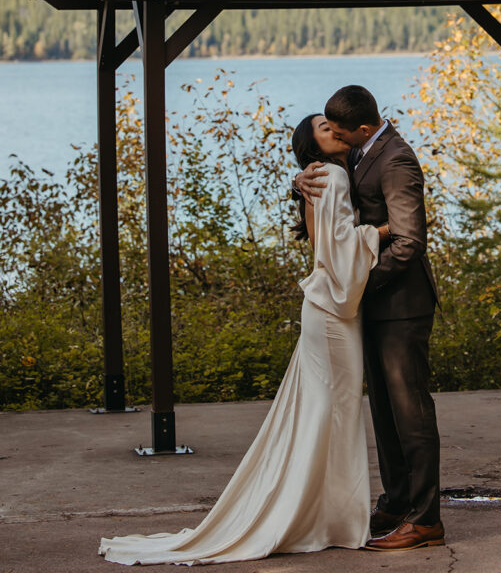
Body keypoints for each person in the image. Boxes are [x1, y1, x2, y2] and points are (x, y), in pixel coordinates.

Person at [99, 114, 387, 566]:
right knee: (334, 413)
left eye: (334, 125)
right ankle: (329, 520)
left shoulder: (321, 176)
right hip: (332, 312)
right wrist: (384, 232)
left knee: (322, 414)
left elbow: (321, 244)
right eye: (325, 130)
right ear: (312, 149)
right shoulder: (329, 175)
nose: (335, 131)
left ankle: (325, 517)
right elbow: (338, 248)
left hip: (322, 310)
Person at [294, 85, 443, 552]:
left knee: (410, 413)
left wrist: (356, 281)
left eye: (337, 130)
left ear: (361, 128)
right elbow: (339, 208)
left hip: (401, 305)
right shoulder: (358, 153)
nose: (332, 134)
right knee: (384, 413)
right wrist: (299, 182)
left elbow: (408, 241)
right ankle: (397, 502)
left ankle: (426, 520)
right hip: (370, 308)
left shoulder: (396, 159)